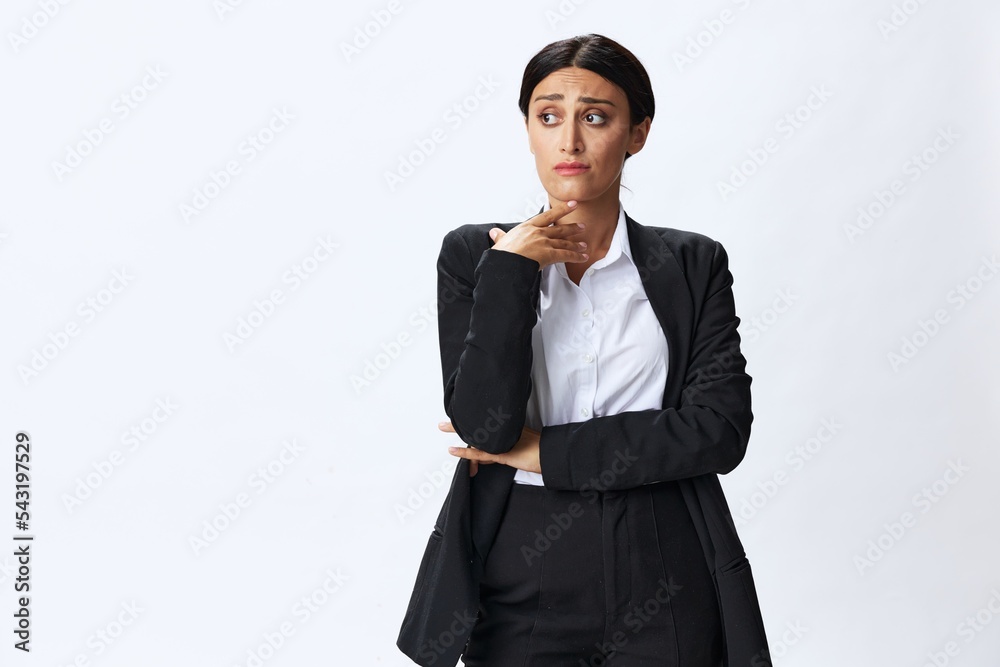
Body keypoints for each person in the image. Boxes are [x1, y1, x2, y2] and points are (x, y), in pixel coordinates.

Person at [397, 33, 770, 667]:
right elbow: (483, 423)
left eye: (595, 117)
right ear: (529, 130)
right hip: (519, 556)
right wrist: (511, 273)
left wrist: (543, 451)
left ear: (638, 133)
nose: (568, 140)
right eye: (549, 117)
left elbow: (718, 432)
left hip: (665, 553)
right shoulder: (475, 256)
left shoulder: (692, 263)